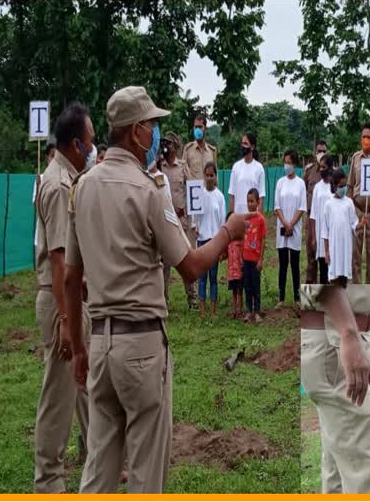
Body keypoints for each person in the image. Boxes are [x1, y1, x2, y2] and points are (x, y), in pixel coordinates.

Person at [63, 86, 246, 493]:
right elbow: (191, 267)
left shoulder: (83, 187)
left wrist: (78, 347)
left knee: (99, 464)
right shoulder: (148, 189)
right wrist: (226, 233)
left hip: (99, 343)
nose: (157, 135)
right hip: (141, 345)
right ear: (137, 132)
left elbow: (72, 278)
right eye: (154, 125)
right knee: (147, 470)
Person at [33, 103, 92, 493]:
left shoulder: (66, 178)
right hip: (60, 302)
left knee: (84, 384)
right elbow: (58, 259)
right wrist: (68, 321)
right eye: (89, 141)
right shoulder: (57, 185)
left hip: (71, 299)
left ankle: (97, 457)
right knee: (58, 396)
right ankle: (49, 482)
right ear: (74, 144)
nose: (93, 147)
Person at [300, 283, 370, 493]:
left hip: (333, 337)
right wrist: (349, 332)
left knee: (338, 471)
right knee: (367, 479)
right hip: (338, 340)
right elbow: (326, 274)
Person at [160, 131, 198, 309]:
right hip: (164, 220)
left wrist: (194, 220)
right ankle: (163, 300)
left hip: (182, 220)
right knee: (163, 264)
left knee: (186, 258)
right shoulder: (159, 167)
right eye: (164, 143)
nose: (166, 146)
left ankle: (193, 299)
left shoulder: (183, 167)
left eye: (169, 143)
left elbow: (193, 192)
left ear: (175, 147)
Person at [346, 123, 370, 284]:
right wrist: (349, 213)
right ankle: (357, 295)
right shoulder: (355, 159)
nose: (366, 140)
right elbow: (349, 186)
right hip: (357, 210)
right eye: (363, 137)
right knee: (355, 255)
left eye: (368, 137)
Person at [274, 150, 307, 311]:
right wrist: (285, 223)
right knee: (283, 264)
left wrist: (291, 224)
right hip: (282, 227)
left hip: (294, 228)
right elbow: (277, 206)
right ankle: (281, 298)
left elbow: (302, 207)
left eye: (289, 162)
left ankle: (296, 297)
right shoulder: (280, 182)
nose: (286, 165)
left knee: (294, 264)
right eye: (285, 162)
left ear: (294, 164)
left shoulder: (300, 183)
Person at [193, 162, 225, 317]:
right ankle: (202, 311)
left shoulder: (220, 197)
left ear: (216, 176)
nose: (209, 178)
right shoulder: (198, 194)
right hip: (201, 241)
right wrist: (195, 227)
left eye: (212, 175)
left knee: (213, 277)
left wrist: (221, 246)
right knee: (202, 277)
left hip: (214, 242)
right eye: (207, 175)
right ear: (203, 176)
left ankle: (213, 311)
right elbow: (194, 218)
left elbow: (222, 223)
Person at [323, 169, 366, 284]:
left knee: (345, 278)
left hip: (346, 247)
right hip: (333, 248)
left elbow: (354, 223)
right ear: (335, 186)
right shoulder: (328, 205)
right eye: (341, 186)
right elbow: (325, 231)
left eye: (345, 185)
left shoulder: (349, 203)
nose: (344, 189)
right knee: (334, 277)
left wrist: (361, 224)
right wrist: (326, 252)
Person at [304, 140, 328, 283]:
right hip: (311, 219)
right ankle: (311, 291)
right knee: (311, 254)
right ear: (315, 153)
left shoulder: (332, 173)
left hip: (327, 220)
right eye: (319, 151)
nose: (321, 154)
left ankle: (328, 290)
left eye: (324, 151)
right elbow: (303, 190)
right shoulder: (309, 171)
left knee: (326, 255)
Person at [309, 154, 334, 284]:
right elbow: (313, 214)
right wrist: (313, 237)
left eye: (324, 167)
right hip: (320, 235)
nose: (322, 169)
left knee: (334, 272)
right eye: (320, 167)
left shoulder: (335, 186)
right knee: (323, 272)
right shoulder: (318, 187)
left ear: (330, 168)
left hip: (333, 234)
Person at [243, 188, 267, 323]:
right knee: (247, 286)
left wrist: (260, 260)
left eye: (252, 201)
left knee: (256, 286)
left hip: (255, 260)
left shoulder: (261, 219)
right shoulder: (245, 219)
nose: (250, 204)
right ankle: (248, 311)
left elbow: (263, 239)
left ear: (258, 202)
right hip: (246, 259)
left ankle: (257, 312)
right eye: (248, 201)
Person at [229, 132, 265, 214]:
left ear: (252, 147)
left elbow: (261, 196)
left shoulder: (259, 168)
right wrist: (231, 216)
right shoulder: (236, 167)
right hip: (238, 216)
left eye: (245, 143)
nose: (243, 146)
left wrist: (259, 217)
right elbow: (231, 194)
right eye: (242, 143)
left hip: (252, 216)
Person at [226, 211, 244, 319]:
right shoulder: (227, 240)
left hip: (239, 270)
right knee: (233, 291)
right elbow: (225, 253)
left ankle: (240, 310)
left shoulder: (240, 239)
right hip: (231, 271)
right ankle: (234, 311)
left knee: (240, 291)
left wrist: (242, 262)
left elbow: (243, 253)